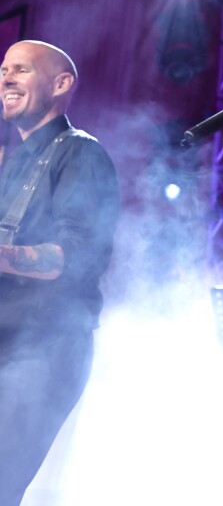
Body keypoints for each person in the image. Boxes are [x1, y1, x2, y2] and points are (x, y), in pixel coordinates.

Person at [0, 40, 119, 505]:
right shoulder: (15, 162)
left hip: (44, 348)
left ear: (61, 83)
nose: (6, 78)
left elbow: (78, 256)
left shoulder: (80, 154)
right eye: (3, 69)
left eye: (21, 70)